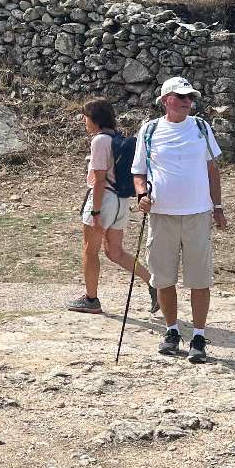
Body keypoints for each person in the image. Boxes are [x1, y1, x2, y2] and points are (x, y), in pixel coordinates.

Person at [131, 77, 226, 364]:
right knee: (163, 278)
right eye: (181, 96)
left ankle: (198, 336)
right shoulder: (149, 130)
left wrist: (218, 207)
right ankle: (171, 331)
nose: (187, 101)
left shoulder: (201, 127)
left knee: (199, 278)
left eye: (190, 97)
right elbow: (139, 172)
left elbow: (212, 170)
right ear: (165, 100)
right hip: (162, 215)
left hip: (198, 213)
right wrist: (142, 195)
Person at [66, 100, 157, 316]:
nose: (84, 121)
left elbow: (99, 180)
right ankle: (154, 283)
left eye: (86, 117)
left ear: (95, 119)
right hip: (121, 201)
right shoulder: (118, 138)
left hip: (104, 199)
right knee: (115, 251)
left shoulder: (99, 141)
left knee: (90, 250)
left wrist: (96, 212)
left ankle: (91, 299)